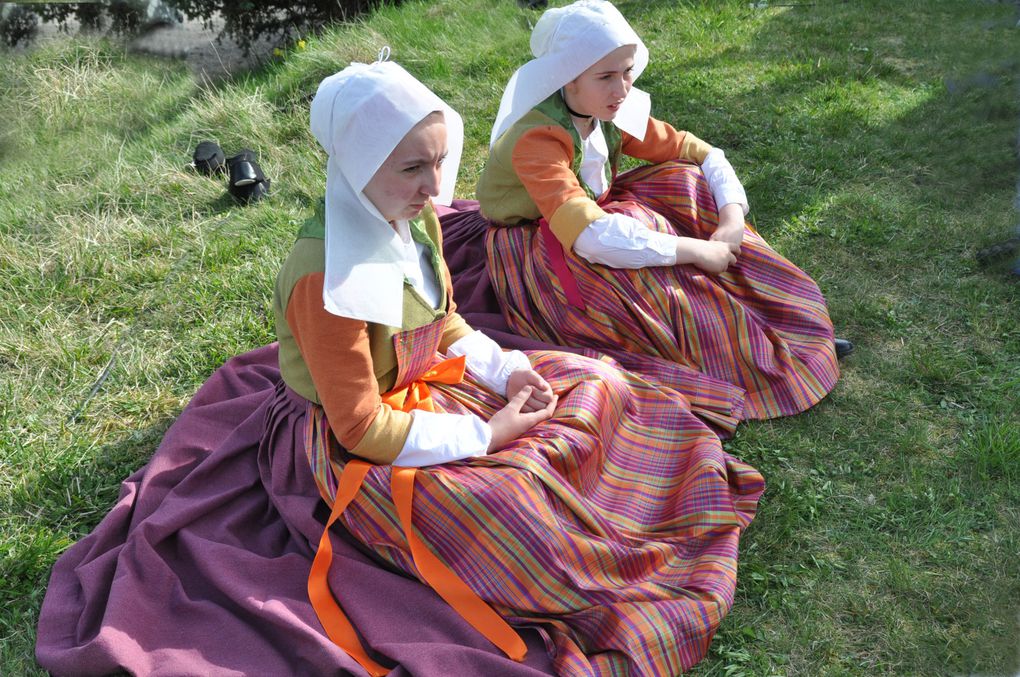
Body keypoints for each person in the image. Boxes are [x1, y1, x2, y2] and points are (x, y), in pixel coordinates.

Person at [35, 57, 764, 676]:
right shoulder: (326, 276)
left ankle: (646, 506)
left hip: (428, 387)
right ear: (357, 167)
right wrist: (488, 437)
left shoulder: (412, 218)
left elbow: (443, 320)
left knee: (598, 382)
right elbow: (361, 426)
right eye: (413, 166)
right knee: (512, 504)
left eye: (439, 160)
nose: (434, 185)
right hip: (361, 439)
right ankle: (607, 563)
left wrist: (506, 371)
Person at [475, 0, 848, 420]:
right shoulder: (537, 138)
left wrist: (731, 220)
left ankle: (779, 326)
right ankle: (741, 363)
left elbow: (700, 153)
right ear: (568, 79)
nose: (622, 89)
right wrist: (693, 249)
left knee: (685, 182)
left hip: (592, 212)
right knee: (642, 249)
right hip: (539, 242)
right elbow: (590, 237)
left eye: (627, 72)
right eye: (606, 77)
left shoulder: (608, 107)